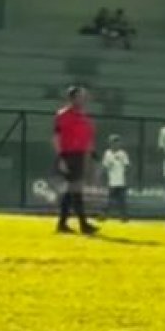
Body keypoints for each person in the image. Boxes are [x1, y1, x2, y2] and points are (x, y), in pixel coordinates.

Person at [53, 86, 99, 235]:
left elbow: (87, 137)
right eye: (79, 96)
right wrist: (61, 157)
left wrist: (91, 153)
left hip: (80, 155)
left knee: (71, 190)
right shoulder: (63, 115)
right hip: (69, 155)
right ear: (71, 98)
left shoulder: (83, 116)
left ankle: (63, 224)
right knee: (76, 189)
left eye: (83, 96)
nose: (83, 99)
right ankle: (83, 225)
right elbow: (56, 137)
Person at [100, 134, 130, 222]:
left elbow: (127, 165)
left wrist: (125, 174)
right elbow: (104, 166)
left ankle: (123, 216)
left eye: (117, 142)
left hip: (121, 181)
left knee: (122, 200)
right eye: (113, 142)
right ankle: (104, 215)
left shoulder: (123, 153)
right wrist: (107, 169)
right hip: (112, 181)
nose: (115, 144)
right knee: (109, 200)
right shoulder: (107, 153)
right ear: (110, 143)